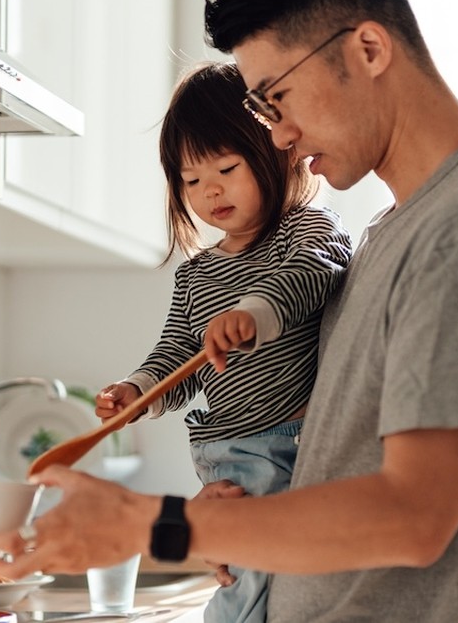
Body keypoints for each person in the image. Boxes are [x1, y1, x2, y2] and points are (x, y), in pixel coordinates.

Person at [0, 0, 458, 621]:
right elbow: (339, 475)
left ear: (368, 48)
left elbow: (413, 515)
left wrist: (159, 523)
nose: (280, 135)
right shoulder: (397, 234)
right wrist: (233, 522)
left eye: (276, 97)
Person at [90, 61, 352, 623]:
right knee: (245, 580)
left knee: (251, 586)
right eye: (189, 179)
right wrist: (139, 391)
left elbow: (311, 273)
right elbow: (175, 357)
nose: (208, 190)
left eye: (226, 168)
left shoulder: (306, 230)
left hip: (284, 443)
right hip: (224, 455)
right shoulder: (195, 275)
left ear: (276, 151)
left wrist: (253, 315)